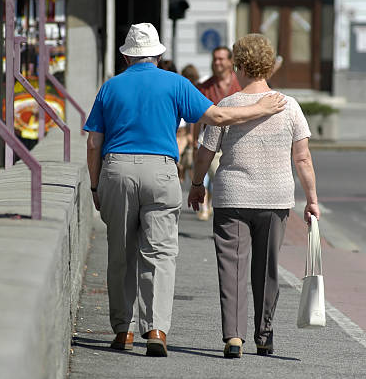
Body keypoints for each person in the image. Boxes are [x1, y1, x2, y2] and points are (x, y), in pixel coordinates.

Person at [84, 23, 286, 357]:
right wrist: (261, 109)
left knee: (121, 252)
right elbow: (217, 116)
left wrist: (95, 184)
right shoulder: (176, 84)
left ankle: (123, 331)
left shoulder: (110, 88)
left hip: (117, 169)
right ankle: (156, 330)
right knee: (160, 253)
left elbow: (94, 142)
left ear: (126, 55)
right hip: (161, 172)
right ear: (159, 54)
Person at [188, 33, 320, 359]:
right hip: (275, 199)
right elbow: (302, 158)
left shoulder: (226, 106)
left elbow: (205, 153)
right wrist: (312, 199)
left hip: (232, 197)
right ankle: (264, 336)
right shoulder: (289, 107)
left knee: (231, 267)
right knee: (266, 269)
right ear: (267, 65)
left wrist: (196, 184)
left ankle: (234, 337)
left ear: (239, 66)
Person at [193, 46, 241, 220]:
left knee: (220, 176)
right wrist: (193, 142)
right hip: (209, 139)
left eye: (221, 59)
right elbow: (197, 117)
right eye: (215, 59)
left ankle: (215, 204)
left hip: (235, 139)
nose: (217, 62)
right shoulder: (204, 87)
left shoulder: (240, 84)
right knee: (211, 172)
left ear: (230, 61)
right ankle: (206, 205)